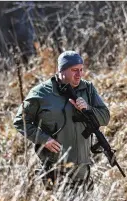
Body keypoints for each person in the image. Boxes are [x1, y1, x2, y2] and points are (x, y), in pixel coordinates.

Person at [13, 51, 110, 192]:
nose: (79, 74)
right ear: (61, 70)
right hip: (55, 168)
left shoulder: (87, 89)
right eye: (74, 70)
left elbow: (105, 117)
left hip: (83, 170)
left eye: (81, 70)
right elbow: (20, 121)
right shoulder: (41, 93)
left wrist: (88, 108)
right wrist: (43, 139)